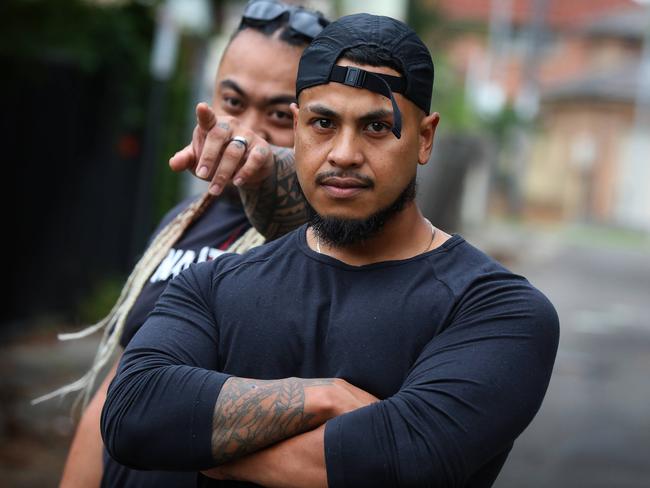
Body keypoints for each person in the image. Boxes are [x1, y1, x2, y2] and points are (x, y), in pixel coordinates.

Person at [102, 13, 560, 488]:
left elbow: (403, 461)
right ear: (298, 128)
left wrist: (203, 449)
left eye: (377, 127)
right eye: (323, 122)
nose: (343, 153)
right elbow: (132, 413)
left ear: (424, 137)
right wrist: (324, 398)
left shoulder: (495, 310)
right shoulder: (214, 284)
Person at [43, 2, 329, 487]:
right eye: (233, 104)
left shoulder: (322, 236)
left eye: (280, 113)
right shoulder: (182, 220)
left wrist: (266, 167)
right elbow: (118, 387)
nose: (246, 129)